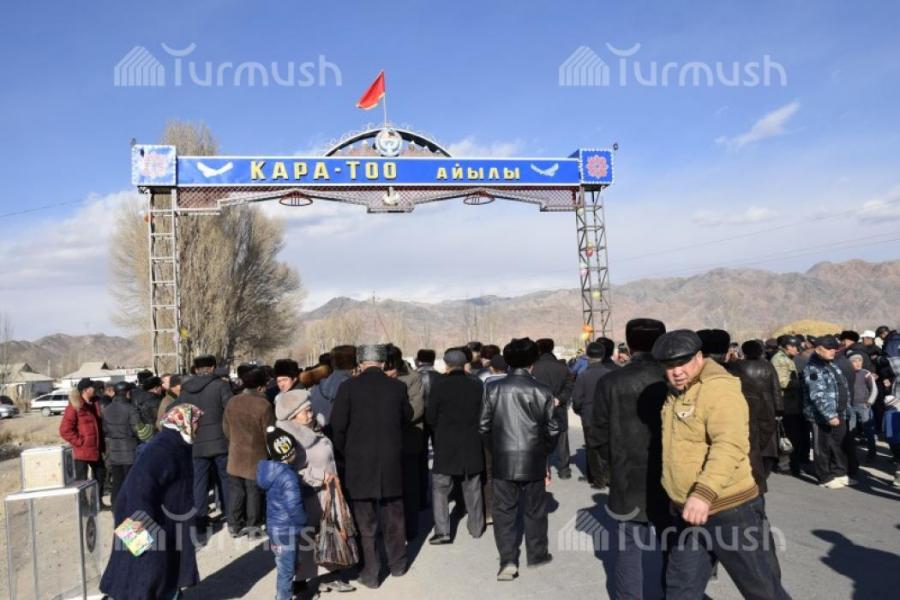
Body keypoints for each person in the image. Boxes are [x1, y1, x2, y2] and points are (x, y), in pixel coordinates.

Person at [652, 330, 789, 600]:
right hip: (689, 513)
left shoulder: (718, 389)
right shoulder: (677, 391)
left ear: (699, 356)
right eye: (669, 366)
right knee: (680, 590)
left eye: (683, 363)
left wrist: (703, 493)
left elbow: (729, 446)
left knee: (762, 590)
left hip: (730, 510)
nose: (677, 371)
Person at [591, 318, 670, 600]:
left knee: (629, 545)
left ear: (629, 343)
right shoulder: (673, 378)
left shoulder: (610, 381)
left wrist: (607, 467)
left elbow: (598, 433)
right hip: (671, 473)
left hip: (626, 473)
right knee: (675, 542)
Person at [99, 404, 204, 600]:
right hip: (142, 517)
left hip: (159, 518)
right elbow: (139, 483)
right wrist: (141, 520)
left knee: (159, 567)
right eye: (196, 422)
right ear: (183, 422)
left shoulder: (176, 444)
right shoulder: (162, 448)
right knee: (146, 568)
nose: (199, 427)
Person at [330, 344, 412, 589]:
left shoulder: (348, 387)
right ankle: (398, 564)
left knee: (364, 520)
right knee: (394, 515)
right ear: (383, 363)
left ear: (360, 363)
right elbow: (406, 417)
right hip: (391, 460)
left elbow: (338, 426)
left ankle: (370, 571)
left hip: (359, 461)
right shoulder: (397, 387)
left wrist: (345, 453)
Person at [479, 338, 559, 582]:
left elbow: (483, 427)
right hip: (533, 458)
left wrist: (496, 449)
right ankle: (537, 554)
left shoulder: (493, 389)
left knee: (504, 512)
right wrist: (544, 453)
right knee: (535, 509)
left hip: (503, 459)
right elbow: (552, 429)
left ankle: (508, 560)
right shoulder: (542, 390)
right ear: (532, 362)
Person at [276, 389, 356, 594]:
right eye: (306, 411)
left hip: (328, 491)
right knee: (312, 536)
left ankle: (329, 574)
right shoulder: (290, 439)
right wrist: (320, 477)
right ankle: (302, 580)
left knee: (327, 532)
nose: (311, 414)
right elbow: (292, 470)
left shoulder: (313, 428)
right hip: (311, 494)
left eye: (310, 409)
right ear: (293, 416)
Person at [426, 349, 485, 544]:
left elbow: (431, 416)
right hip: (472, 441)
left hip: (446, 443)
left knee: (441, 489)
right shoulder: (476, 384)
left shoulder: (439, 384)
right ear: (465, 364)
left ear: (447, 364)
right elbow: (484, 413)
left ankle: (443, 531)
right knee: (473, 486)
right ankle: (476, 527)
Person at [178, 354, 234, 534]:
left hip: (196, 442)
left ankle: (200, 521)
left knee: (199, 482)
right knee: (225, 479)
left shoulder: (185, 390)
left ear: (196, 369)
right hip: (220, 441)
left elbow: (181, 414)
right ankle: (231, 517)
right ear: (212, 367)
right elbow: (230, 410)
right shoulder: (221, 386)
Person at [257, 426, 309, 600]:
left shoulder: (272, 472)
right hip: (287, 530)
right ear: (288, 452)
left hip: (275, 529)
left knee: (285, 565)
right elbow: (294, 506)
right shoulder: (288, 476)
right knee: (286, 570)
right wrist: (304, 521)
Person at [222, 367, 275, 537]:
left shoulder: (233, 401)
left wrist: (235, 441)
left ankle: (234, 524)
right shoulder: (264, 405)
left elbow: (225, 428)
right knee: (254, 492)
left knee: (236, 491)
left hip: (235, 453)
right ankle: (253, 527)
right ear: (260, 387)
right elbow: (269, 433)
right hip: (256, 455)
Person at [726, 340, 781, 491]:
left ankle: (752, 469)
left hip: (745, 404)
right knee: (766, 437)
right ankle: (763, 470)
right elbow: (776, 389)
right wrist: (779, 409)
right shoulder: (768, 366)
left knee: (749, 437)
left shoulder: (736, 366)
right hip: (766, 406)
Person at [385, 345, 426, 540]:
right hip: (386, 442)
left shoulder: (413, 378)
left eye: (390, 367)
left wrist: (391, 420)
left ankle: (411, 528)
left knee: (409, 487)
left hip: (408, 438)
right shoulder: (380, 378)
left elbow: (417, 409)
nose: (388, 372)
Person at [802, 335, 853, 488]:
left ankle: (839, 472)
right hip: (821, 416)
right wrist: (829, 415)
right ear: (818, 350)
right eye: (829, 348)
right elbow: (818, 395)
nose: (833, 351)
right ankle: (824, 477)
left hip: (839, 412)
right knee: (822, 447)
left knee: (837, 444)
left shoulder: (831, 364)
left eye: (834, 349)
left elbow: (841, 386)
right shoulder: (813, 368)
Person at [102, 381, 153, 507]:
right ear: (127, 393)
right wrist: (149, 428)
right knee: (131, 480)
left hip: (113, 450)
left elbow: (105, 429)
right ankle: (130, 506)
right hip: (129, 449)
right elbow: (138, 429)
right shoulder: (130, 409)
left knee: (117, 480)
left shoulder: (107, 409)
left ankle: (115, 505)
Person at [572, 341, 613, 488]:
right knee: (607, 447)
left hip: (589, 417)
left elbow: (577, 400)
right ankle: (609, 477)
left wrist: (580, 411)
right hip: (607, 417)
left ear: (588, 355)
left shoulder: (583, 376)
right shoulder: (610, 374)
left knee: (592, 449)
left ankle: (598, 480)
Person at [531, 338, 574, 479]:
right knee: (562, 439)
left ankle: (542, 471)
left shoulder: (533, 367)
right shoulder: (562, 367)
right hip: (558, 406)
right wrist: (559, 399)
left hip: (539, 407)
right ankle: (564, 470)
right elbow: (569, 386)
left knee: (539, 438)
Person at [59, 378, 106, 504]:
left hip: (95, 448)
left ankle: (97, 502)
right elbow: (65, 430)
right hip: (82, 451)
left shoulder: (94, 404)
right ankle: (83, 505)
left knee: (101, 474)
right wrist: (80, 442)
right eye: (92, 387)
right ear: (86, 390)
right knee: (81, 480)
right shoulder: (74, 407)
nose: (94, 389)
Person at [771, 335, 810, 476]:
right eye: (795, 347)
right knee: (787, 436)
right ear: (788, 346)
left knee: (793, 435)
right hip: (786, 403)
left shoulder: (787, 358)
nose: (798, 350)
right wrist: (803, 382)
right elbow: (781, 381)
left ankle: (790, 464)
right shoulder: (780, 359)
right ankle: (785, 465)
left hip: (791, 402)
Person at [309, 345, 356, 433]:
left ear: (333, 363)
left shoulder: (316, 387)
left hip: (323, 435)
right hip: (349, 436)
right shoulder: (356, 387)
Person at [847, 353, 878, 462]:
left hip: (863, 405)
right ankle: (851, 455)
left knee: (868, 430)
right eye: (854, 361)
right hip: (850, 406)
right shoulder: (847, 373)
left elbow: (874, 389)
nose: (858, 363)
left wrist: (869, 402)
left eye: (859, 361)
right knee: (851, 430)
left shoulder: (866, 374)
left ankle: (872, 453)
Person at [882, 395, 900, 487]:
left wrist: (887, 438)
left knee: (898, 458)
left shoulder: (886, 414)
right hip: (898, 440)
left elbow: (884, 428)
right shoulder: (896, 414)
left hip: (892, 441)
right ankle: (898, 479)